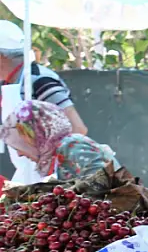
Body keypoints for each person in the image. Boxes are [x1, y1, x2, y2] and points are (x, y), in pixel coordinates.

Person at [0, 21, 89, 184]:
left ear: (2, 57)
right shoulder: (7, 83)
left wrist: (53, 172)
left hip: (50, 178)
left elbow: (78, 128)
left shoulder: (39, 80)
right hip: (25, 173)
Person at [0, 100, 118, 181]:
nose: (19, 154)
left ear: (35, 136)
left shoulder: (72, 146)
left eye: (19, 147)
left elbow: (102, 185)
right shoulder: (56, 154)